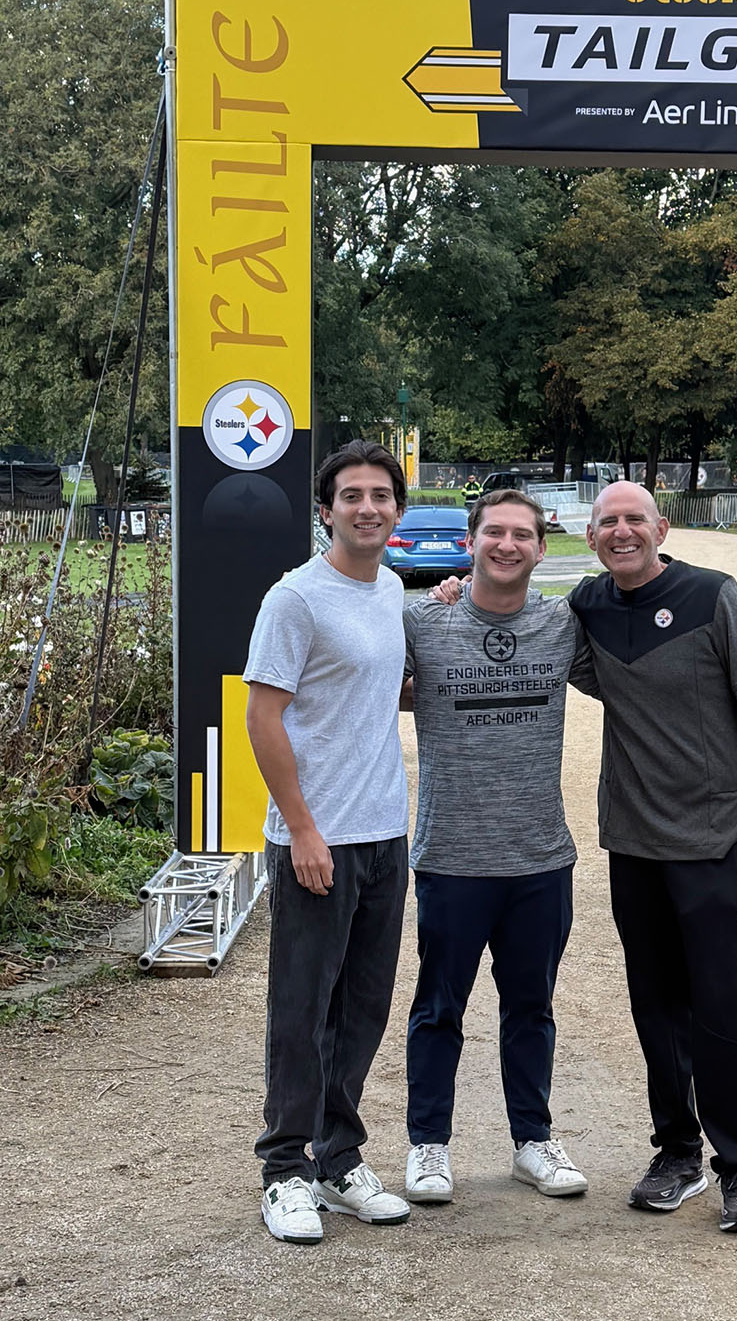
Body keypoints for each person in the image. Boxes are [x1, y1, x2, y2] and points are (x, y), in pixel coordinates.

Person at [569, 480, 737, 1235]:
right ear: (590, 537)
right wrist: (453, 592)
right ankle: (676, 1153)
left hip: (716, 837)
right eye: (608, 522)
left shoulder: (712, 595)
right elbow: (522, 623)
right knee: (656, 1006)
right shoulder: (588, 606)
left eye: (635, 519)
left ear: (661, 528)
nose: (622, 531)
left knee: (724, 1007)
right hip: (634, 842)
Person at [402, 489, 593, 1206]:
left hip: (540, 856)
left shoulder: (561, 623)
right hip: (452, 854)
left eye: (521, 535)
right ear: (470, 541)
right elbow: (366, 686)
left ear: (542, 548)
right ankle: (428, 1144)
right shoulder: (424, 619)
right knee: (438, 1008)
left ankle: (532, 1141)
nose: (507, 545)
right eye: (493, 532)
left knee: (531, 1007)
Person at [244, 440, 412, 1245]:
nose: (367, 507)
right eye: (352, 495)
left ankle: (338, 1158)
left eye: (380, 494)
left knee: (364, 1006)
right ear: (326, 510)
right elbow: (262, 716)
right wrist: (303, 828)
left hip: (384, 832)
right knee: (303, 1008)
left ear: (397, 510)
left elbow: (379, 691)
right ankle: (284, 1168)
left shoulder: (393, 589)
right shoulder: (296, 599)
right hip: (318, 838)